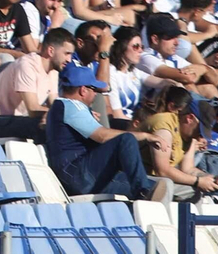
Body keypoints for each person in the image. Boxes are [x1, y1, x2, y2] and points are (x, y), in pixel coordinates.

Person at [46, 63, 171, 201]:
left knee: (158, 187)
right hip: (78, 175)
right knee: (126, 139)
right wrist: (146, 136)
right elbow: (102, 136)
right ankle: (142, 192)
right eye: (94, 90)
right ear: (83, 90)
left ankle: (143, 198)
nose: (95, 94)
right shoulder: (71, 106)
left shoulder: (64, 107)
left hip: (81, 177)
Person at [0, 28, 76, 141]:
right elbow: (33, 108)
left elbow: (54, 104)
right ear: (51, 51)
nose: (69, 60)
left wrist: (79, 116)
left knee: (67, 126)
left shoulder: (53, 71)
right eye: (67, 54)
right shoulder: (27, 65)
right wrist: (60, 115)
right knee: (46, 126)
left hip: (15, 120)